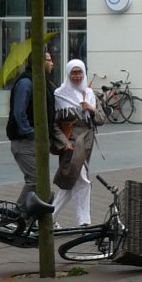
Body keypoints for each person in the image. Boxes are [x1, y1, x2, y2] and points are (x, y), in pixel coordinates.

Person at [6, 50, 57, 214]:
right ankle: (18, 214)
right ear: (39, 62)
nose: (52, 63)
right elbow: (19, 112)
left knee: (39, 181)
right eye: (48, 60)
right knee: (36, 180)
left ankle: (30, 219)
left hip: (38, 142)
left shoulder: (42, 82)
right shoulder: (26, 82)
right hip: (25, 141)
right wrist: (30, 133)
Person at [52, 59, 98, 227]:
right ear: (68, 73)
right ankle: (84, 221)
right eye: (73, 72)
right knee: (82, 180)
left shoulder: (89, 93)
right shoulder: (59, 93)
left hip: (87, 141)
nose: (77, 76)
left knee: (72, 182)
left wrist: (91, 109)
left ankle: (48, 218)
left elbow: (100, 120)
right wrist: (63, 142)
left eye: (80, 72)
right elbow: (54, 123)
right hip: (71, 142)